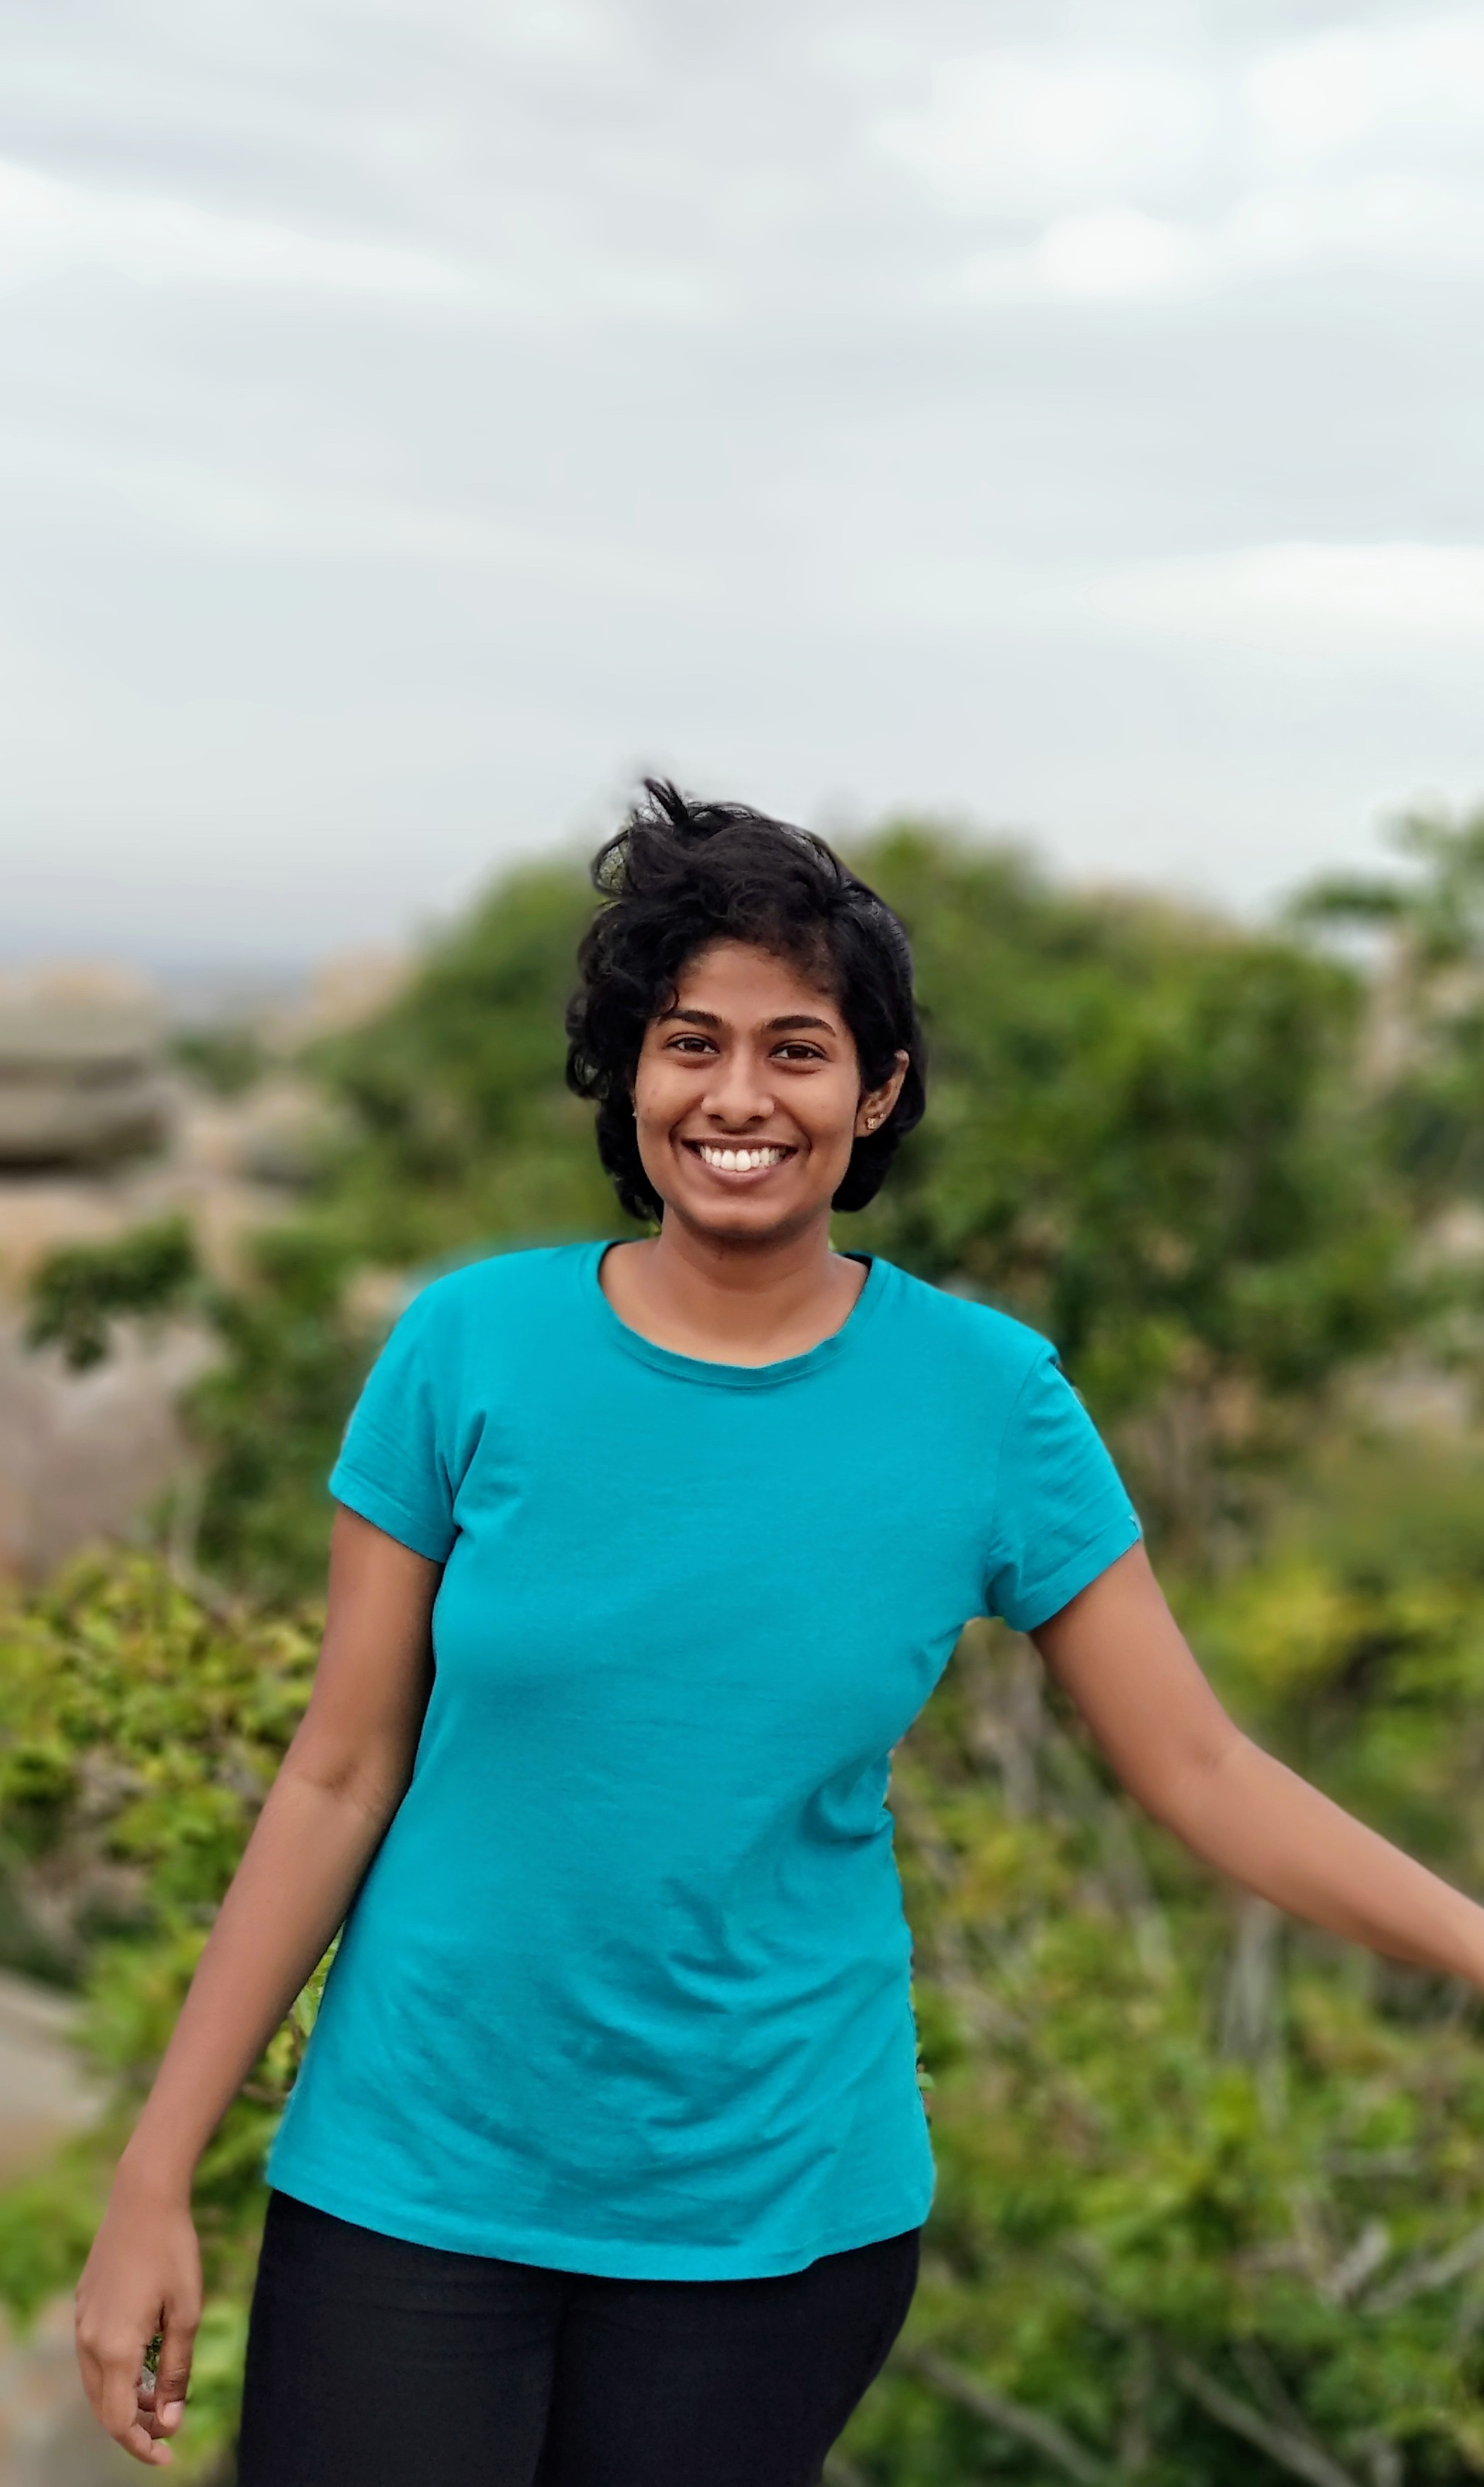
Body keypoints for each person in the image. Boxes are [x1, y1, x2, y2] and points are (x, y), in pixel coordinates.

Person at [75, 782, 1484, 2486]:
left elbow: (1198, 1766)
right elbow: (338, 1770)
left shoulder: (989, 1401)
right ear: (631, 1073)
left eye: (797, 1049)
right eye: (692, 1042)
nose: (738, 1095)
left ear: (875, 1089)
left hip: (769, 2213)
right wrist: (156, 2171)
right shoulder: (470, 1346)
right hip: (413, 2173)